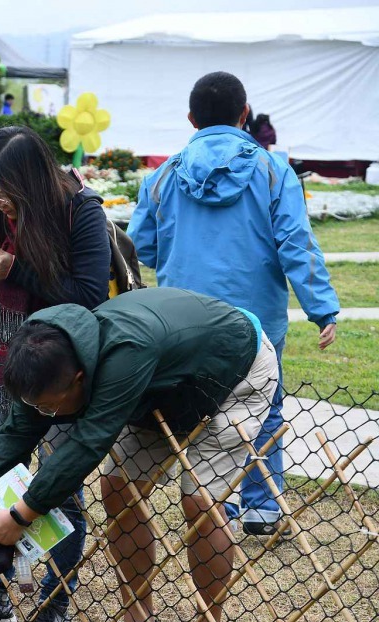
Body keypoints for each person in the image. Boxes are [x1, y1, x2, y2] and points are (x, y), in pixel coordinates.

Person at [0, 288, 280, 622]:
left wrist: (20, 516)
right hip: (162, 386)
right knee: (118, 487)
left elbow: (88, 443)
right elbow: (10, 442)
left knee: (200, 502)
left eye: (50, 407)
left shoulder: (125, 353)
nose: (46, 416)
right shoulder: (49, 361)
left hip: (233, 371)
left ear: (80, 379)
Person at [129, 72, 338, 538]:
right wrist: (322, 308)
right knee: (263, 411)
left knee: (193, 409)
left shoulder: (162, 176)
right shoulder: (271, 171)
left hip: (182, 321)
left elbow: (138, 248)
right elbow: (295, 243)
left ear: (190, 119)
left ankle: (206, 506)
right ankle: (261, 511)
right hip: (255, 322)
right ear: (245, 114)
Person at [0, 124, 110, 622]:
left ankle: (53, 602)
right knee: (3, 477)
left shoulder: (81, 211)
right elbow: (5, 280)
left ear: (32, 183)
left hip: (63, 369)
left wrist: (15, 270)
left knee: (59, 484)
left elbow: (86, 295)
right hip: (7, 361)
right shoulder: (2, 208)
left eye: (2, 192)